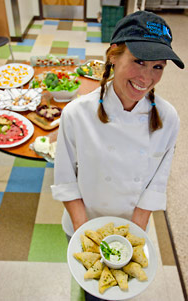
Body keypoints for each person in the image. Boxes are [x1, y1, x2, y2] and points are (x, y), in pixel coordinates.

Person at [51, 10, 184, 301]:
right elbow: (64, 181)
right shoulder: (76, 114)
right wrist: (86, 238)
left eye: (158, 67)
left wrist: (132, 240)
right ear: (113, 55)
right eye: (139, 61)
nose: (147, 78)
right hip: (81, 224)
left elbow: (156, 183)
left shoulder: (169, 118)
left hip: (131, 227)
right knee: (92, 292)